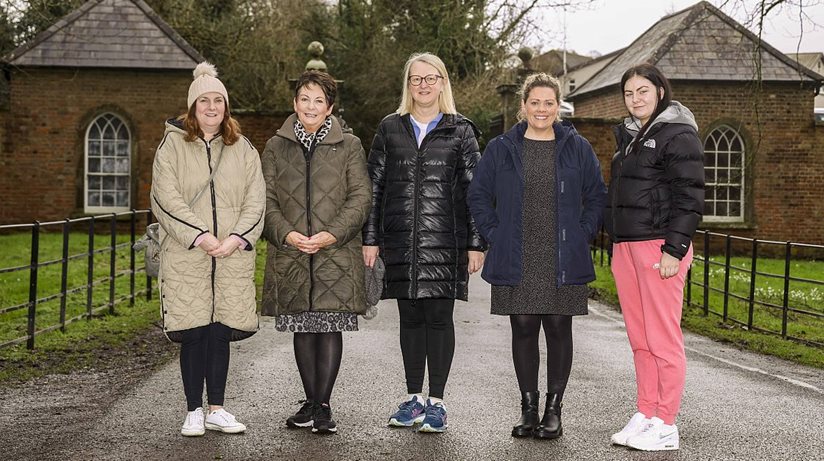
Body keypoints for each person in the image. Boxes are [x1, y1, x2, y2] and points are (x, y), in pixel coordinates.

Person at [468, 73, 606, 440]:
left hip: (562, 253)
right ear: (523, 106)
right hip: (517, 252)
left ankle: (553, 411)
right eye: (535, 102)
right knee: (524, 327)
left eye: (549, 103)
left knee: (559, 328)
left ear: (557, 107)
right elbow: (478, 195)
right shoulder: (501, 148)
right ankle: (528, 411)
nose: (542, 109)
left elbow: (596, 195)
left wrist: (582, 232)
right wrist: (495, 234)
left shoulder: (578, 148)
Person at [362, 52, 486, 434]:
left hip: (445, 243)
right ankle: (413, 399)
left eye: (431, 78)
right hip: (399, 242)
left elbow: (474, 191)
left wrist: (476, 243)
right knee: (410, 319)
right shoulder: (389, 128)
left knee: (439, 319)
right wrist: (370, 239)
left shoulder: (460, 130)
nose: (423, 85)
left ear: (443, 83)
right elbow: (374, 187)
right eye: (416, 79)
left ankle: (437, 403)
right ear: (408, 85)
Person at [151, 62, 265, 437]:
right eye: (205, 101)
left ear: (226, 107)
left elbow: (257, 200)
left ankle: (217, 406)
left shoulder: (243, 148)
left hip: (230, 254)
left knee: (220, 331)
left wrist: (236, 239)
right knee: (194, 330)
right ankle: (193, 410)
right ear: (192, 107)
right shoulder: (171, 146)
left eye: (219, 100)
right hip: (188, 253)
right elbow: (164, 198)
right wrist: (200, 235)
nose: (212, 107)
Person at [261, 70, 372, 435]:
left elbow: (360, 197)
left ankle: (323, 405)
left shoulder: (350, 146)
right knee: (302, 326)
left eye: (318, 101)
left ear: (330, 108)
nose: (311, 106)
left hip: (335, 252)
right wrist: (287, 234)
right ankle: (309, 401)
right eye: (304, 99)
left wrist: (331, 234)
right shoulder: (276, 147)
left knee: (328, 326)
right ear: (295, 103)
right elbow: (265, 199)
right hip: (291, 251)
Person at [606, 63, 704, 452]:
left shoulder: (678, 134)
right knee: (640, 339)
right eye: (629, 93)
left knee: (663, 339)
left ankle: (666, 422)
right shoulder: (630, 136)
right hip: (627, 246)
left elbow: (690, 196)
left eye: (643, 91)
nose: (635, 99)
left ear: (660, 91)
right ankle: (646, 412)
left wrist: (674, 250)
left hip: (659, 247)